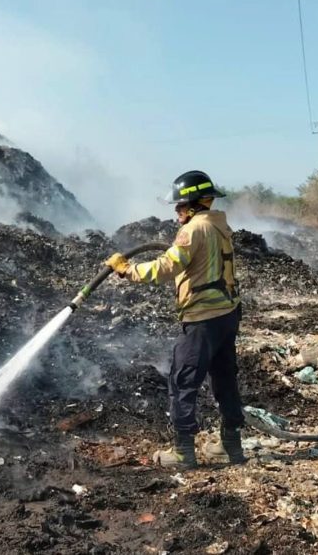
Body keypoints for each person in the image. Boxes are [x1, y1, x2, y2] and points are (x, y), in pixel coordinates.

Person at [104, 170, 245, 469]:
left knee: (182, 381)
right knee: (224, 378)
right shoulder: (219, 225)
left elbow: (167, 267)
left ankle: (183, 453)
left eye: (180, 206)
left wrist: (127, 269)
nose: (176, 211)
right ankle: (232, 446)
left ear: (193, 204)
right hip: (227, 313)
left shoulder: (192, 230)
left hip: (203, 318)